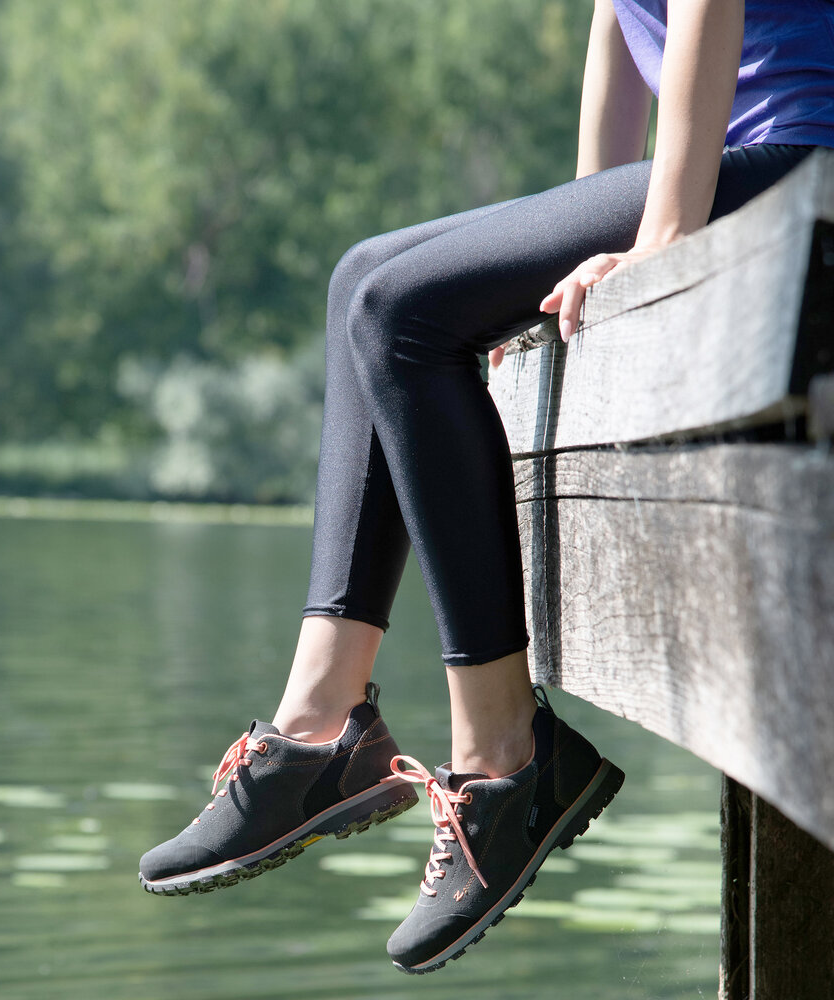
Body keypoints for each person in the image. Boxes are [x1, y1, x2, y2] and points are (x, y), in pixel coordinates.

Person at [139, 0, 833, 975]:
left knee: (402, 315)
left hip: (801, 163)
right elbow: (618, 25)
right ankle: (319, 728)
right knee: (361, 280)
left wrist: (662, 235)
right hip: (741, 163)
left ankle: (504, 757)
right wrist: (567, 251)